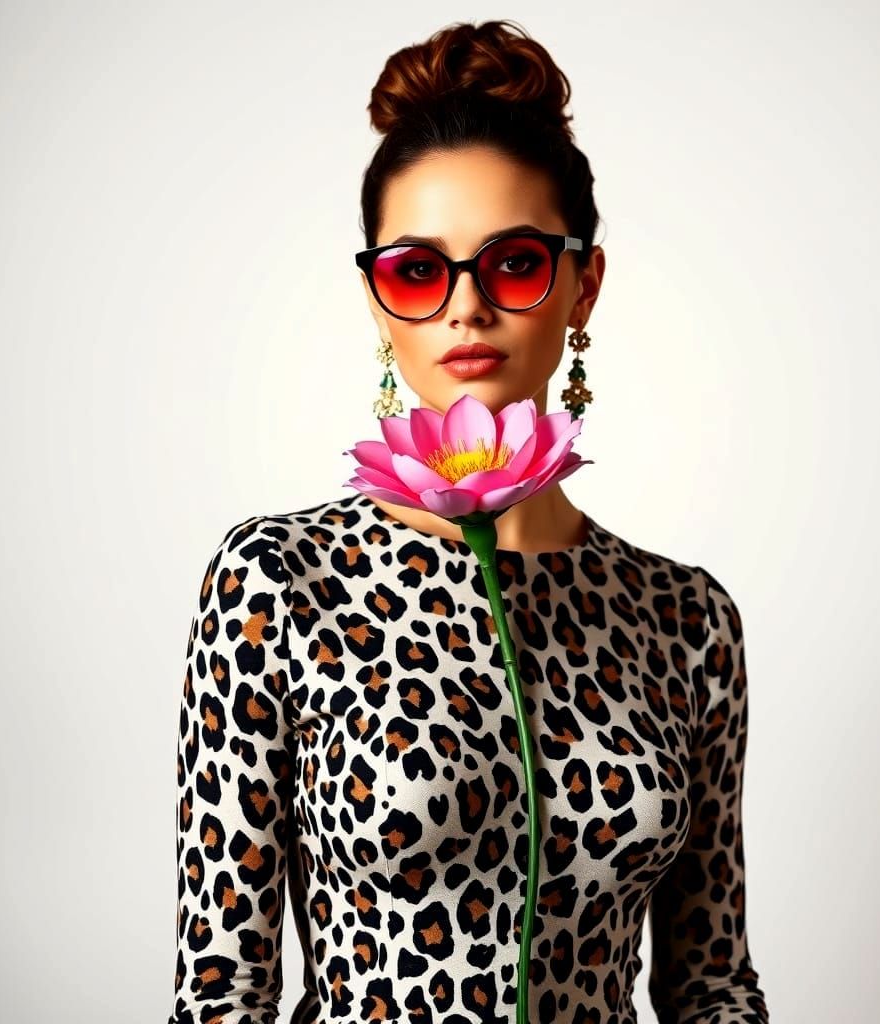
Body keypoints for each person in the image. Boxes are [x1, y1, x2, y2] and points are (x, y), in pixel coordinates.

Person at [167, 19, 770, 1024]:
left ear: (583, 284)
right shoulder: (278, 582)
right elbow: (222, 994)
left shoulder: (687, 619)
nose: (464, 309)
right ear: (375, 300)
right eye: (416, 270)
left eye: (515, 264)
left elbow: (710, 983)